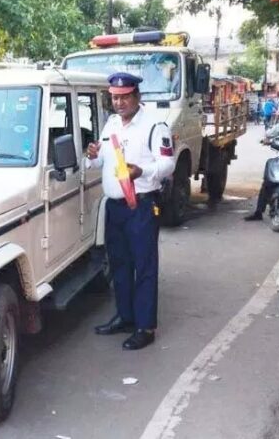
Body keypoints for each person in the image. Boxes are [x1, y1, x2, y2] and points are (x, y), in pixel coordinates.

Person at [86, 72, 175, 351]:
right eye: (115, 98)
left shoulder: (154, 125)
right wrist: (92, 156)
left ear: (137, 96)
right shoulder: (111, 123)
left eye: (124, 97)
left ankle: (145, 326)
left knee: (144, 267)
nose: (119, 103)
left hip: (142, 205)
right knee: (120, 265)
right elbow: (101, 160)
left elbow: (168, 164)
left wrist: (142, 171)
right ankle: (125, 317)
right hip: (114, 206)